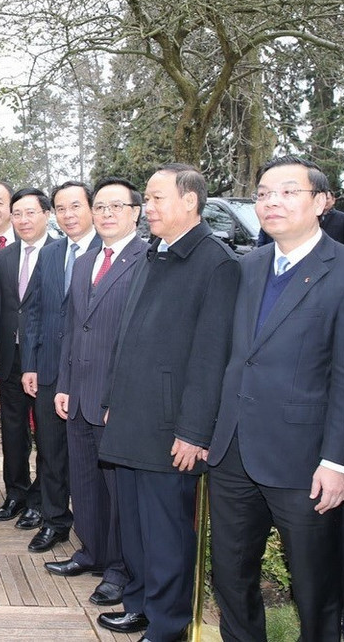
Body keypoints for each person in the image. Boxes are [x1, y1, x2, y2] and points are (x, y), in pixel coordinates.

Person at [207, 155, 344, 642]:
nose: (272, 202)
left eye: (289, 191)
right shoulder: (246, 267)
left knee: (316, 589)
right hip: (232, 454)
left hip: (305, 462)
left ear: (323, 202)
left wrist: (337, 461)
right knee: (230, 578)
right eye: (265, 192)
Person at [97, 164, 240, 641]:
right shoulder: (155, 254)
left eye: (157, 199)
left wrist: (195, 431)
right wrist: (115, 399)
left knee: (167, 535)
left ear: (190, 202)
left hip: (171, 427)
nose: (148, 209)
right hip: (133, 419)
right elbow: (129, 338)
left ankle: (167, 626)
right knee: (136, 529)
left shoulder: (215, 262)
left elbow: (211, 355)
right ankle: (139, 604)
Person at [48, 177, 147, 607]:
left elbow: (141, 340)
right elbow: (74, 329)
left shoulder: (148, 260)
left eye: (114, 207)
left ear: (136, 212)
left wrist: (118, 397)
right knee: (84, 480)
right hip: (79, 394)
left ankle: (121, 569)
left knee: (119, 490)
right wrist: (65, 385)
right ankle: (91, 550)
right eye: (101, 207)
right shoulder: (87, 260)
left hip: (114, 401)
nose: (106, 214)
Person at [21, 181, 100, 553]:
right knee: (50, 453)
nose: (69, 215)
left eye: (76, 207)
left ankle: (94, 532)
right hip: (50, 370)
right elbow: (33, 312)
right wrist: (30, 365)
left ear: (91, 209)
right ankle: (54, 522)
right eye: (62, 208)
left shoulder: (110, 252)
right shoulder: (50, 254)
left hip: (92, 374)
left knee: (88, 460)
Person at [0, 187, 54, 528]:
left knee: (46, 430)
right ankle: (15, 491)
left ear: (46, 214)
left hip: (47, 357)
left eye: (31, 212)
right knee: (13, 428)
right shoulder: (2, 257)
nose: (24, 220)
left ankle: (40, 498)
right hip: (10, 356)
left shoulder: (60, 254)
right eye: (18, 214)